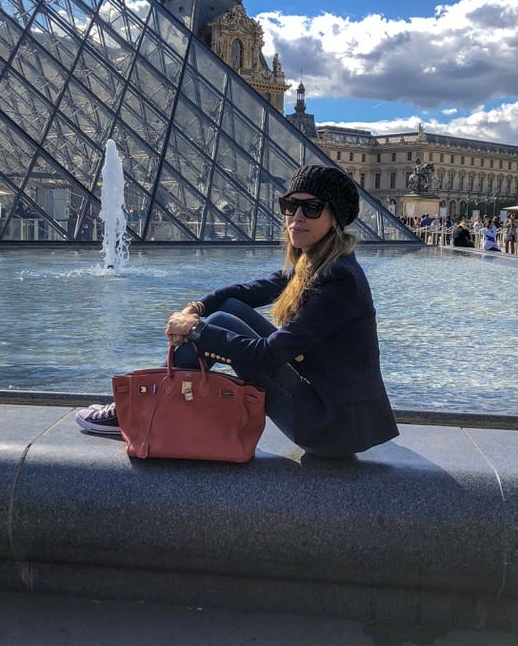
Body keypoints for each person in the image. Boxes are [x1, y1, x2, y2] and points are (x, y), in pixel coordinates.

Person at [77, 165, 399, 459]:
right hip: (330, 408)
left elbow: (266, 355)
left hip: (329, 429)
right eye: (289, 206)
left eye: (311, 208)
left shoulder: (338, 279)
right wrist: (197, 307)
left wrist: (195, 330)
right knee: (228, 309)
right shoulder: (319, 261)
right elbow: (247, 290)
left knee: (217, 324)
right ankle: (144, 404)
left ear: (335, 218)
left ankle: (136, 410)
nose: (296, 217)